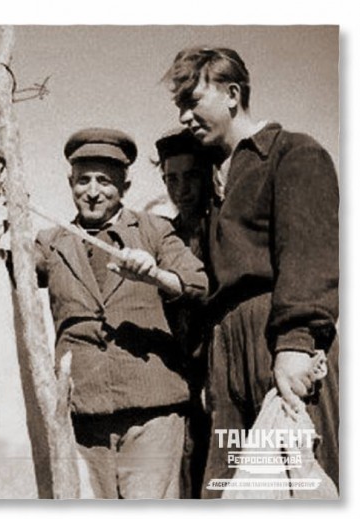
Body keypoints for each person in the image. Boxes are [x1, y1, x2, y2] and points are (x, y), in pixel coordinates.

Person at [163, 47, 339, 496]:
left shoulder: (293, 152)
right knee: (228, 486)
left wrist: (296, 343)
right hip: (225, 348)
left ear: (232, 94)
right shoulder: (212, 179)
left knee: (298, 480)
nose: (184, 117)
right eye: (179, 106)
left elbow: (308, 255)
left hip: (277, 336)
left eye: (192, 102)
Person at [34, 128, 209, 499]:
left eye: (105, 181)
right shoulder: (50, 242)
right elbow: (3, 272)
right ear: (70, 183)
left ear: (124, 186)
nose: (93, 191)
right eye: (83, 180)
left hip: (152, 413)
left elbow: (197, 284)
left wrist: (155, 275)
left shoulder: (153, 231)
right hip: (82, 415)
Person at [155, 129, 218, 498]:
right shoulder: (166, 236)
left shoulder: (222, 230)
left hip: (220, 369)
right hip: (182, 377)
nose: (181, 189)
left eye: (191, 176)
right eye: (171, 179)